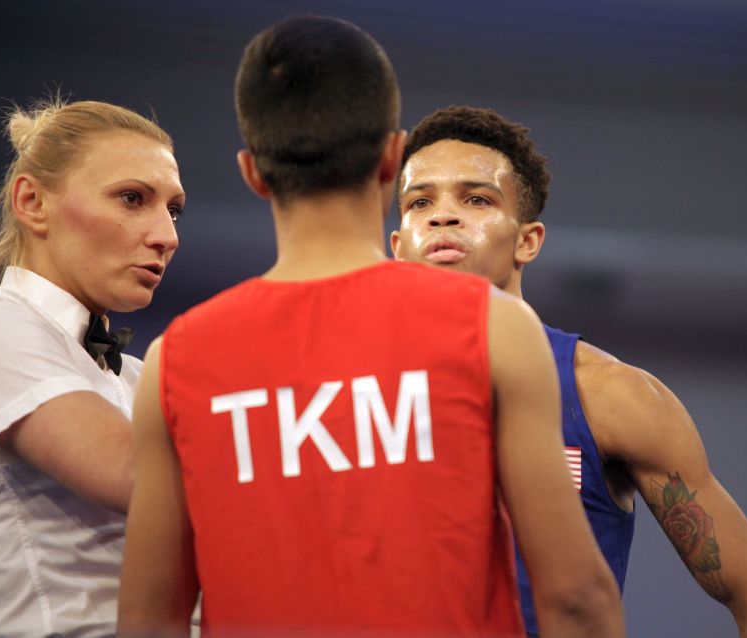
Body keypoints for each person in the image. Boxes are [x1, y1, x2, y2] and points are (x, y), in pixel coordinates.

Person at [117, 16, 625, 638]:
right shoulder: (493, 328)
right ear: (391, 157)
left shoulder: (174, 364)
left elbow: (148, 621)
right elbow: (575, 599)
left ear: (253, 172)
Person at [391, 105, 747, 637]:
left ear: (527, 241)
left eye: (476, 199)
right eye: (420, 201)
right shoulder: (345, 392)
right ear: (397, 247)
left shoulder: (608, 395)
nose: (442, 216)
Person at [0, 97, 184, 636]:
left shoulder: (136, 375)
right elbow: (138, 478)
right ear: (33, 202)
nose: (167, 236)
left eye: (173, 210)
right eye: (132, 198)